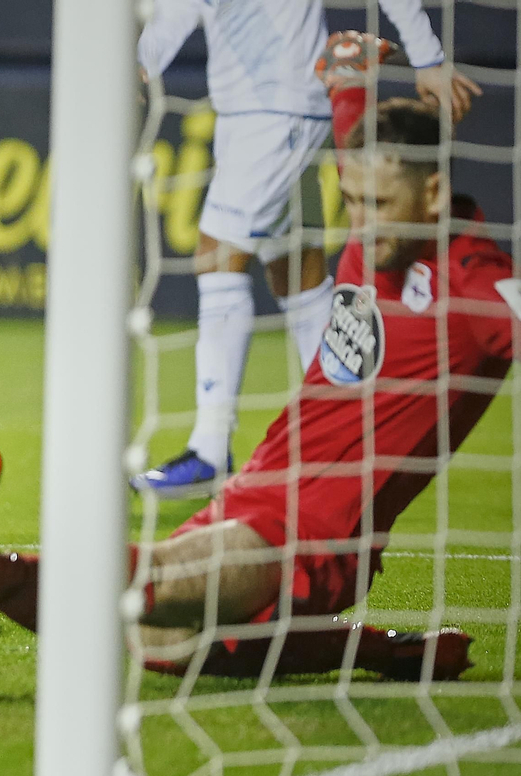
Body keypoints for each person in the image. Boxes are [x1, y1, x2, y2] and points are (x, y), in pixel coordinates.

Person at [0, 45, 517, 681]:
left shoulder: (478, 291)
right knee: (158, 644)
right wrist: (344, 73)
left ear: (434, 192)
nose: (363, 226)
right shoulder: (380, 189)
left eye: (380, 206)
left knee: (162, 581)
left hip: (318, 533)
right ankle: (389, 652)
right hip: (256, 484)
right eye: (353, 201)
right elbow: (351, 121)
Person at [132, 0, 480, 499]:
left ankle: (209, 448)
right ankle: (349, 428)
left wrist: (427, 56)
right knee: (295, 271)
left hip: (281, 108)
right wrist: (144, 63)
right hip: (246, 109)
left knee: (217, 250)